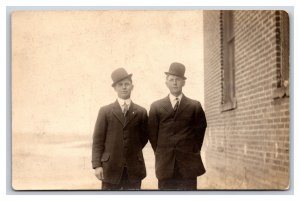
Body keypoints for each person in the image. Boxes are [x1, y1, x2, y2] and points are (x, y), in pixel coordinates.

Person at [148, 62, 207, 190]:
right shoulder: (156, 106)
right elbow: (153, 136)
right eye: (171, 80)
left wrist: (190, 150)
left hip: (188, 165)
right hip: (165, 165)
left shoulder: (194, 106)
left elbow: (199, 133)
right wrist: (162, 152)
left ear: (183, 82)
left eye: (178, 80)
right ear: (166, 83)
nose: (175, 83)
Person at [92, 68, 148, 190]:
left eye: (127, 84)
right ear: (115, 88)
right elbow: (98, 140)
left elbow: (143, 138)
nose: (124, 87)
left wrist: (130, 151)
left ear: (132, 86)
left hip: (134, 169)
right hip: (110, 169)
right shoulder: (105, 111)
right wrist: (97, 166)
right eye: (120, 85)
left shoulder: (141, 112)